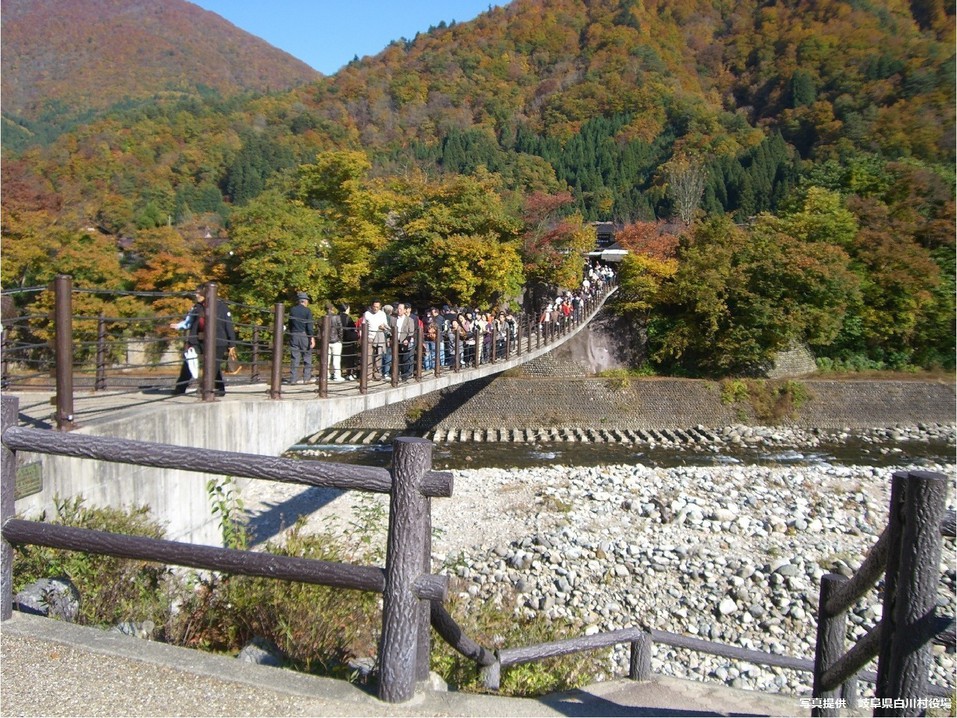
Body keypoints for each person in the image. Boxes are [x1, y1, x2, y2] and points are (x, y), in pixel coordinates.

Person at [175, 283, 236, 396]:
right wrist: (179, 326)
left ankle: (212, 389)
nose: (196, 295)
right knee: (189, 361)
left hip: (217, 341)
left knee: (213, 366)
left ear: (205, 294)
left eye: (198, 293)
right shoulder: (197, 307)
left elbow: (228, 325)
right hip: (198, 339)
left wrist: (232, 343)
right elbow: (189, 322)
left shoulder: (221, 307)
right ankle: (180, 388)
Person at [288, 292, 315, 384]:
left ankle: (293, 379)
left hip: (294, 334)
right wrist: (311, 337)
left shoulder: (292, 310)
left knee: (295, 357)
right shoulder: (307, 311)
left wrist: (291, 333)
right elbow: (309, 325)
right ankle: (306, 378)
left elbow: (290, 323)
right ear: (305, 301)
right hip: (304, 335)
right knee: (307, 356)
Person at [363, 300, 388, 380]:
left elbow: (386, 326)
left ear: (380, 307)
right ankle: (368, 376)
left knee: (378, 356)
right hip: (369, 337)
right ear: (371, 306)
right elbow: (363, 325)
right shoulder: (367, 313)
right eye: (374, 307)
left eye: (377, 307)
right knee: (368, 356)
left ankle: (377, 375)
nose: (375, 308)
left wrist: (383, 327)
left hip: (379, 337)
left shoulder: (382, 314)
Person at [391, 302, 415, 380]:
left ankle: (404, 376)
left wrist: (407, 339)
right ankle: (396, 376)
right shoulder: (394, 319)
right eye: (398, 309)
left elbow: (411, 331)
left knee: (405, 359)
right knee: (396, 359)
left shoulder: (409, 320)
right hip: (395, 341)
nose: (399, 310)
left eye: (401, 309)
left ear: (405, 310)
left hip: (404, 342)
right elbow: (391, 329)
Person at [338, 302, 358, 380]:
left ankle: (337, 373)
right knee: (349, 358)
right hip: (348, 340)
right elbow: (352, 329)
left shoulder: (336, 317)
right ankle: (349, 373)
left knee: (338, 358)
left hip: (338, 340)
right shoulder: (348, 318)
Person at [325, 303, 344, 381]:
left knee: (326, 359)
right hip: (336, 340)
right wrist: (340, 339)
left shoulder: (322, 318)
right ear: (332, 308)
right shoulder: (337, 317)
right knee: (336, 359)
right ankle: (337, 375)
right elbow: (340, 329)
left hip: (326, 341)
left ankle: (326, 375)